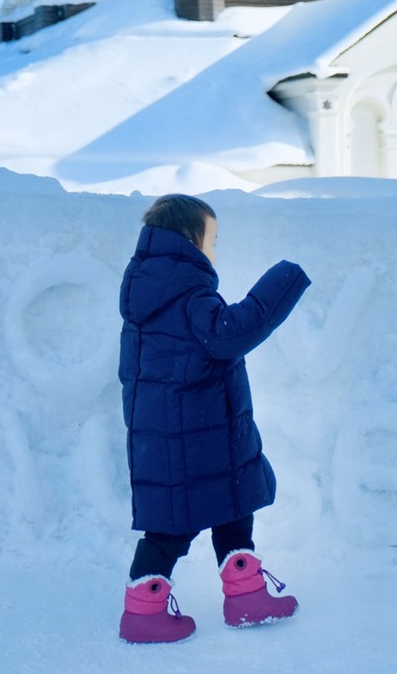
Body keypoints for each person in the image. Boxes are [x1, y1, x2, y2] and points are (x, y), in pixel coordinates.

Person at [117, 192, 311, 645]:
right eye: (212, 240)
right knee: (215, 516)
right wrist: (284, 280)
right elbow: (231, 332)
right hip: (202, 439)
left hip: (170, 439)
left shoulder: (147, 296)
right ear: (188, 242)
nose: (215, 251)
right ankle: (222, 602)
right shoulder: (188, 297)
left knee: (195, 519)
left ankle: (226, 599)